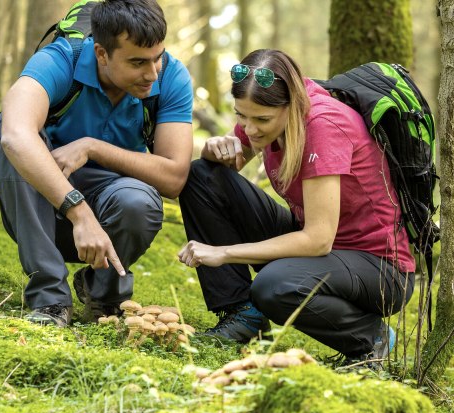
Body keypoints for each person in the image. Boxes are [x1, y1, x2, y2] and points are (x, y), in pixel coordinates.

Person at [177, 49, 414, 364]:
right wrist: (212, 150)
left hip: (380, 269)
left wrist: (224, 253)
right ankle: (242, 316)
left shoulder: (324, 126)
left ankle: (372, 338)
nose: (249, 130)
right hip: (324, 251)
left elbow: (318, 240)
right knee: (200, 175)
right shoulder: (262, 114)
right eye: (240, 116)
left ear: (293, 106)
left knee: (273, 286)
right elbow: (223, 173)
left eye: (261, 120)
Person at [0, 0, 193, 327]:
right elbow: (14, 135)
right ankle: (50, 300)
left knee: (139, 203)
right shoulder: (60, 60)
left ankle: (104, 295)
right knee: (6, 131)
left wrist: (92, 147)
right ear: (101, 54)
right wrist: (78, 211)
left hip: (111, 207)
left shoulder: (170, 76)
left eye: (157, 58)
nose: (152, 74)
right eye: (138, 62)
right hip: (40, 211)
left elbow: (174, 177)